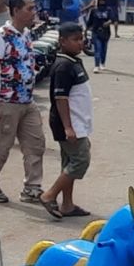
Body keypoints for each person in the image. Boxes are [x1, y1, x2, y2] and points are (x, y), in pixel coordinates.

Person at [0, 0, 46, 204]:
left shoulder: (26, 34)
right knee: (1, 146)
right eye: (29, 9)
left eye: (34, 8)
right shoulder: (1, 37)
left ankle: (32, 187)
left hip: (27, 101)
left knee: (35, 144)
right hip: (6, 102)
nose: (33, 12)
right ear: (16, 11)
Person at [40, 23, 93, 219]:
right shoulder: (63, 66)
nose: (80, 43)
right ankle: (49, 195)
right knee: (80, 161)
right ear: (62, 41)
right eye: (75, 39)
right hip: (69, 124)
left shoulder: (73, 61)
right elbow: (61, 98)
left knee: (68, 162)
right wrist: (68, 127)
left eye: (81, 38)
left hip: (78, 122)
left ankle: (67, 205)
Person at [85, 0, 113, 73]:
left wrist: (108, 22)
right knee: (98, 48)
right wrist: (86, 31)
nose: (101, 1)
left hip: (106, 33)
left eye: (103, 0)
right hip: (96, 32)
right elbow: (89, 22)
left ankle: (102, 63)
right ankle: (96, 66)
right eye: (100, 0)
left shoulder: (108, 10)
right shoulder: (94, 10)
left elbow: (112, 19)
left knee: (104, 49)